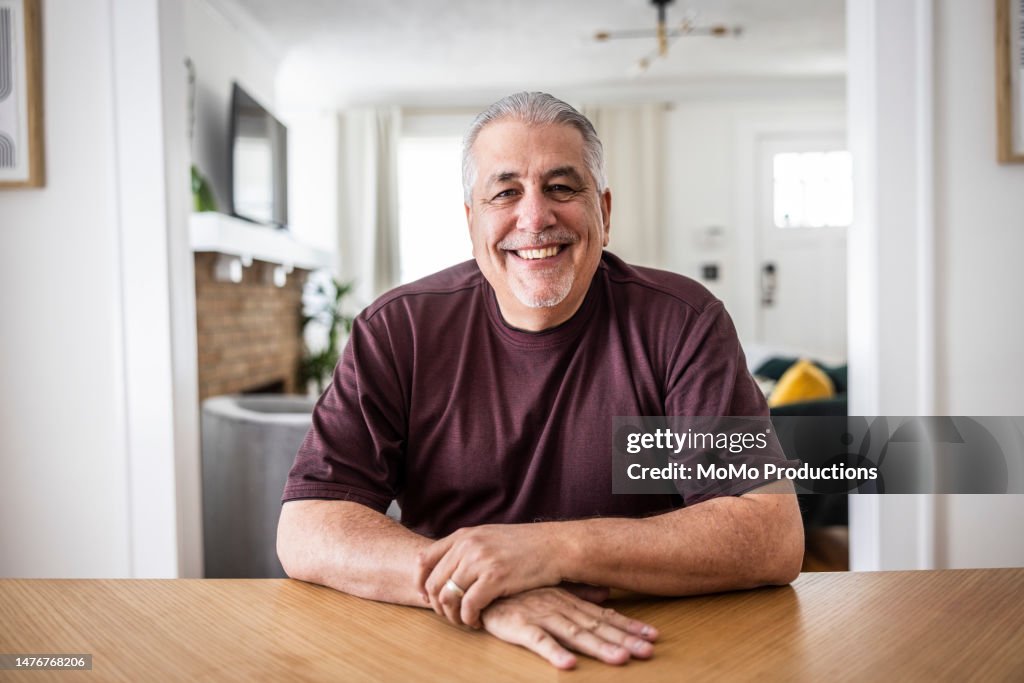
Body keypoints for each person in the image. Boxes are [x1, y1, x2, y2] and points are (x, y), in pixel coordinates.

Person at [277, 92, 803, 670]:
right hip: (450, 641)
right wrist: (482, 591)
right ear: (471, 218)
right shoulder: (396, 329)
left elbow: (769, 533)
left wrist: (547, 551)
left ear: (604, 211)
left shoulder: (683, 322)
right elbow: (308, 525)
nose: (534, 218)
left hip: (646, 642)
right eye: (505, 192)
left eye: (562, 188)